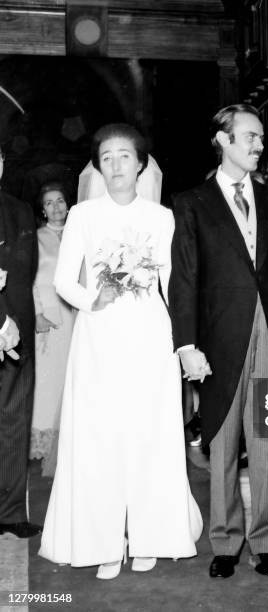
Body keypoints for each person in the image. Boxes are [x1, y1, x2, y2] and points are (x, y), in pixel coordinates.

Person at [39, 124, 202, 579]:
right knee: (101, 439)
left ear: (140, 164)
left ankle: (152, 535)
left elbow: (174, 284)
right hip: (100, 336)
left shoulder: (161, 217)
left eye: (124, 157)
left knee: (149, 435)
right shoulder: (84, 216)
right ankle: (104, 542)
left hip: (151, 336)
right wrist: (94, 299)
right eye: (106, 158)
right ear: (98, 166)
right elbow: (63, 280)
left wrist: (183, 339)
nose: (115, 166)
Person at [169, 104, 268, 578]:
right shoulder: (190, 203)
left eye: (261, 138)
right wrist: (186, 345)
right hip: (218, 338)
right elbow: (183, 280)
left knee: (265, 439)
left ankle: (263, 542)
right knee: (222, 441)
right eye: (249, 137)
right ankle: (225, 543)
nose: (258, 145)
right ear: (222, 140)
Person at [0, 144, 40, 539]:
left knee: (15, 422)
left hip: (17, 339)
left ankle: (10, 514)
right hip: (2, 327)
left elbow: (24, 276)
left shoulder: (20, 211)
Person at [30, 182, 75, 477]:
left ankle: (70, 441)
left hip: (77, 318)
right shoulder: (35, 239)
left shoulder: (78, 234)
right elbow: (28, 278)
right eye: (49, 203)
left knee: (73, 378)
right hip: (48, 319)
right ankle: (44, 445)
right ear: (42, 209)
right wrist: (36, 313)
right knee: (48, 383)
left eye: (60, 201)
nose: (56, 207)